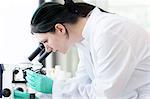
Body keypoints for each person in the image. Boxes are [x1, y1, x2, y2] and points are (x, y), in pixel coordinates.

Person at [14, 0, 150, 99]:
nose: (47, 48)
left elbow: (102, 95)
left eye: (45, 41)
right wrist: (43, 97)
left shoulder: (107, 32)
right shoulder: (85, 40)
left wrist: (53, 87)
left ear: (60, 29)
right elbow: (82, 84)